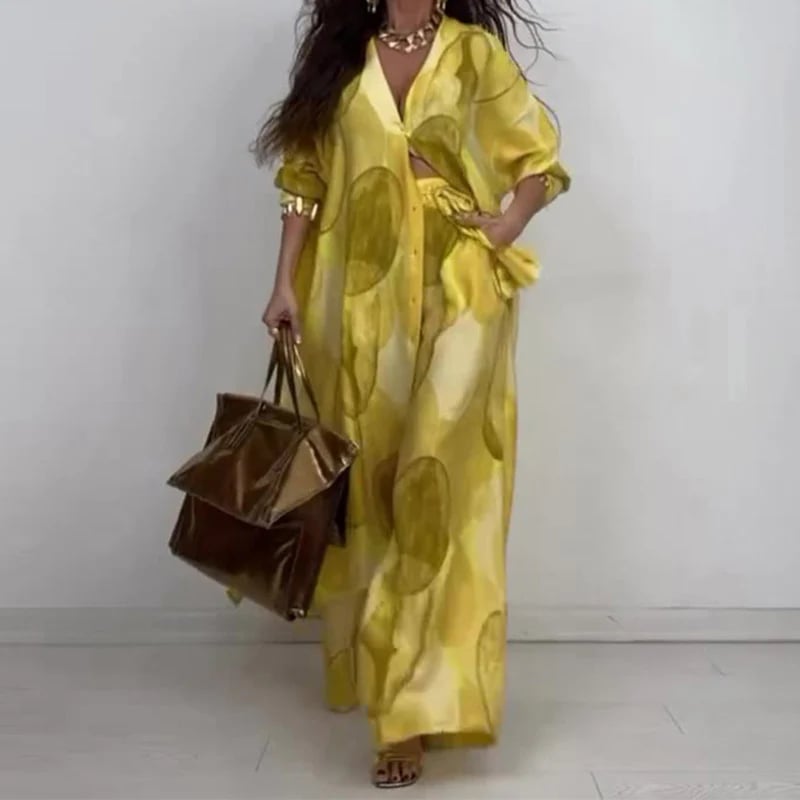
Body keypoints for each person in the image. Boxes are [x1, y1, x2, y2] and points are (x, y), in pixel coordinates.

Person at [255, 0, 569, 788]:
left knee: (436, 484)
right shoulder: (340, 60)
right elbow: (303, 180)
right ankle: (399, 688)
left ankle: (410, 712)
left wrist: (504, 227)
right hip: (357, 297)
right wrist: (283, 284)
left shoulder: (473, 54)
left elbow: (538, 160)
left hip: (461, 283)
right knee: (375, 487)